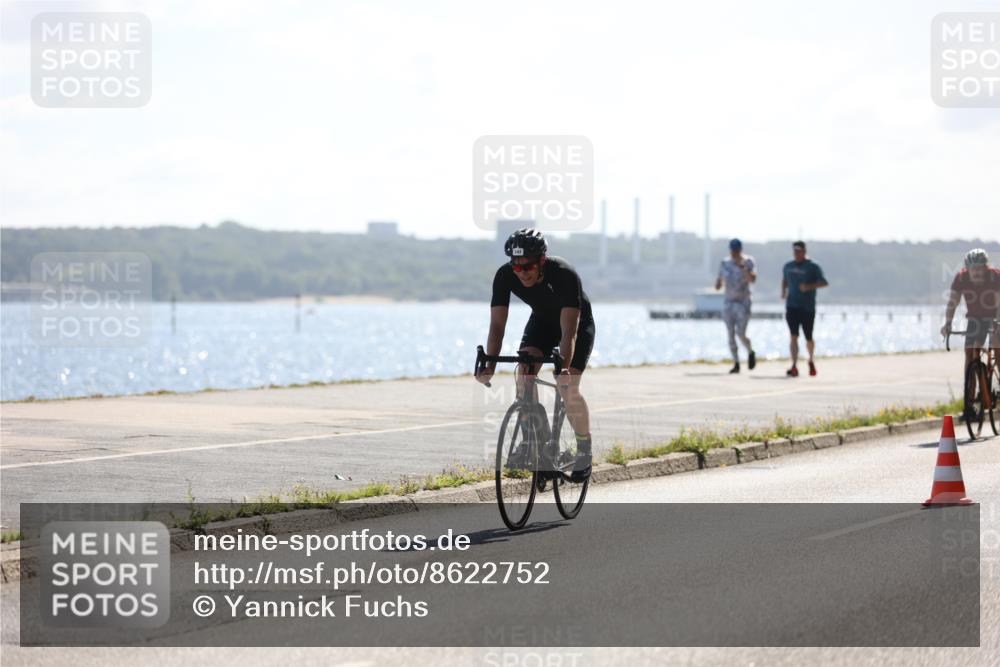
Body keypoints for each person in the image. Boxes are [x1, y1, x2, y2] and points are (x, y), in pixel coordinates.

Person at [475, 228, 596, 481]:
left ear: (542, 260)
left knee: (568, 387)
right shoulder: (505, 275)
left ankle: (584, 449)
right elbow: (497, 326)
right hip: (541, 322)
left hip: (574, 326)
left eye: (528, 267)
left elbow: (569, 332)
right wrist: (490, 364)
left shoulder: (564, 274)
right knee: (524, 371)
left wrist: (563, 369)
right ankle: (537, 444)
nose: (522, 273)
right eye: (517, 268)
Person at [941, 248, 1000, 416]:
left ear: (986, 267)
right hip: (975, 319)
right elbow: (952, 302)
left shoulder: (995, 276)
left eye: (980, 268)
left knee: (997, 345)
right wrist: (948, 324)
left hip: (996, 315)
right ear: (967, 269)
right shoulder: (961, 278)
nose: (977, 272)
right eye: (973, 269)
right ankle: (970, 403)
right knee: (970, 354)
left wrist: (997, 322)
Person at [781, 240, 828, 377]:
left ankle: (811, 360)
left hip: (807, 307)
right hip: (792, 306)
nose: (797, 253)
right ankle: (794, 365)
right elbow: (784, 279)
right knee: (793, 336)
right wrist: (783, 291)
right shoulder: (788, 266)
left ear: (804, 251)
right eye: (795, 251)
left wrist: (809, 286)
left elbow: (824, 282)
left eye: (799, 251)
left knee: (808, 337)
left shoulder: (813, 266)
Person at [715, 238, 757, 374]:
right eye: (733, 250)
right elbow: (719, 281)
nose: (734, 253)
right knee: (730, 333)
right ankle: (736, 362)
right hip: (729, 302)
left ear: (741, 249)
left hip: (743, 302)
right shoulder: (725, 263)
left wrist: (744, 268)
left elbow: (753, 279)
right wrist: (718, 283)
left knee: (741, 333)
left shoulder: (748, 261)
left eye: (737, 250)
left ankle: (750, 352)